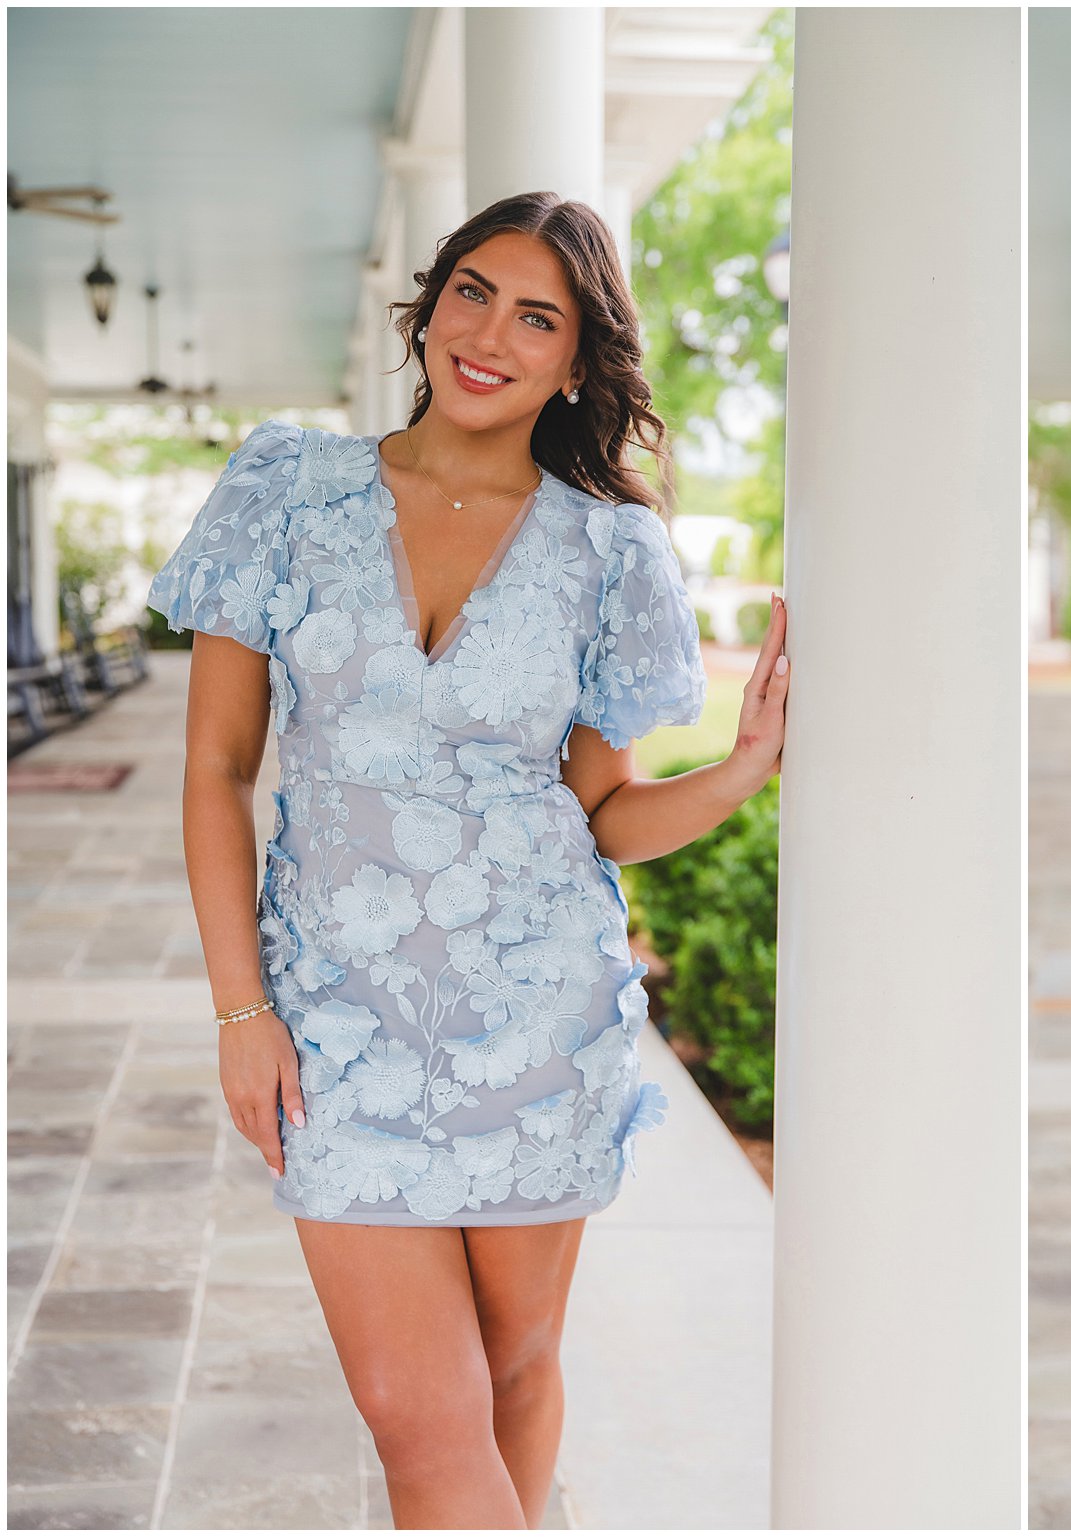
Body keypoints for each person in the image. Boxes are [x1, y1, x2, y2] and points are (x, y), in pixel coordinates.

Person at [147, 191, 790, 1528]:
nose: (490, 332)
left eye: (537, 315)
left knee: (515, 1365)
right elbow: (215, 770)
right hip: (330, 1020)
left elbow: (601, 812)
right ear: (429, 303)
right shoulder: (285, 488)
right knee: (419, 1415)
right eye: (472, 291)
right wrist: (241, 1008)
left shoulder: (610, 549)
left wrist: (735, 772)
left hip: (537, 1021)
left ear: (577, 358)